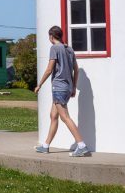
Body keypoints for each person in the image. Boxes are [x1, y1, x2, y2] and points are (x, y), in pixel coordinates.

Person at [33, 25, 89, 157]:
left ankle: (81, 145)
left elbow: (49, 69)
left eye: (49, 36)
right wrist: (73, 86)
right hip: (67, 87)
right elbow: (76, 68)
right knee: (53, 116)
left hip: (59, 87)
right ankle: (46, 146)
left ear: (51, 36)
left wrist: (39, 84)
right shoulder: (69, 49)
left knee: (65, 117)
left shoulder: (54, 48)